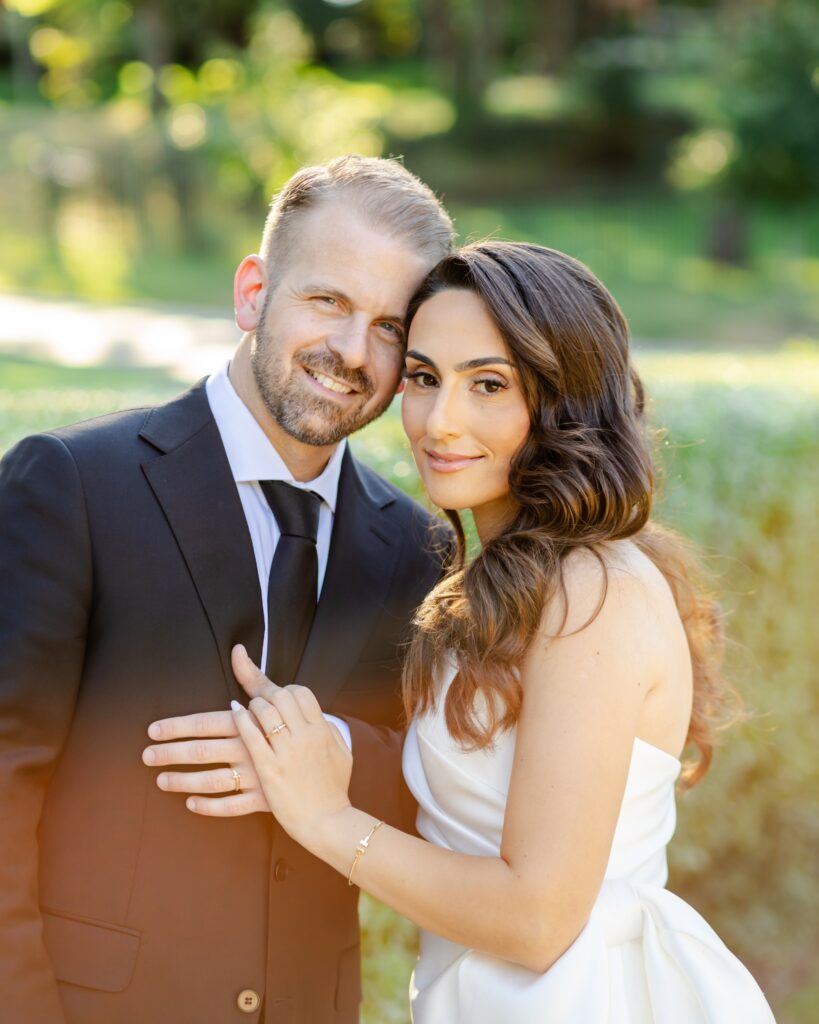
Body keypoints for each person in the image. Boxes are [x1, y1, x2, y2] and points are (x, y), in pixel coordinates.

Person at [190, 242, 776, 1021]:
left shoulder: (589, 590)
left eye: (488, 385)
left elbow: (536, 920)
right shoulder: (505, 582)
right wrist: (315, 745)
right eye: (425, 379)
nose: (440, 421)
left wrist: (326, 819)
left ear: (565, 398)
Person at [0, 155, 455, 1024]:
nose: (352, 352)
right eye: (327, 301)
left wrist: (331, 753)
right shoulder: (72, 486)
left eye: (390, 327)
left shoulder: (414, 545)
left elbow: (437, 786)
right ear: (253, 292)